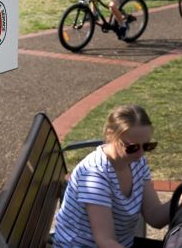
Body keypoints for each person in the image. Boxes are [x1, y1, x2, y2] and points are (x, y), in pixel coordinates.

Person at [53, 104, 170, 247]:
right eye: (132, 147)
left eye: (147, 146)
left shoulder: (136, 162)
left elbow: (154, 216)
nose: (140, 154)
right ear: (110, 135)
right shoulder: (94, 175)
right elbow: (105, 241)